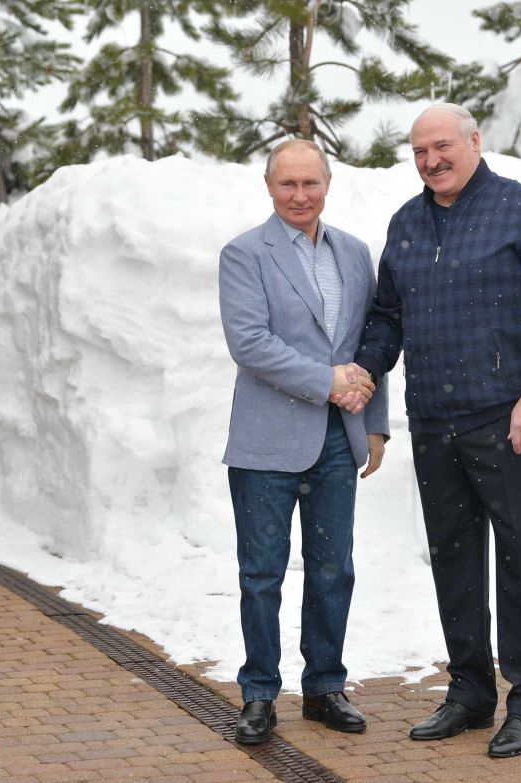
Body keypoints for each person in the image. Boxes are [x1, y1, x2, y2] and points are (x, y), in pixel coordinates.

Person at [353, 103, 521, 758]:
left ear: (473, 141)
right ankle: (469, 689)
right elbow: (386, 318)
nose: (432, 160)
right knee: (453, 556)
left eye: (443, 146)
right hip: (433, 419)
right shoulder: (406, 223)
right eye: (420, 150)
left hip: (507, 417)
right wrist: (364, 371)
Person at [218, 139, 389, 745]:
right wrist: (327, 382)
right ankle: (259, 694)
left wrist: (374, 423)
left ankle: (324, 688)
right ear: (269, 187)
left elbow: (369, 344)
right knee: (261, 574)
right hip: (267, 442)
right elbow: (250, 343)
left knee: (332, 570)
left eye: (310, 184)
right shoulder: (244, 254)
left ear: (327, 184)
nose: (299, 195)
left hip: (340, 440)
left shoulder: (353, 252)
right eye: (287, 185)